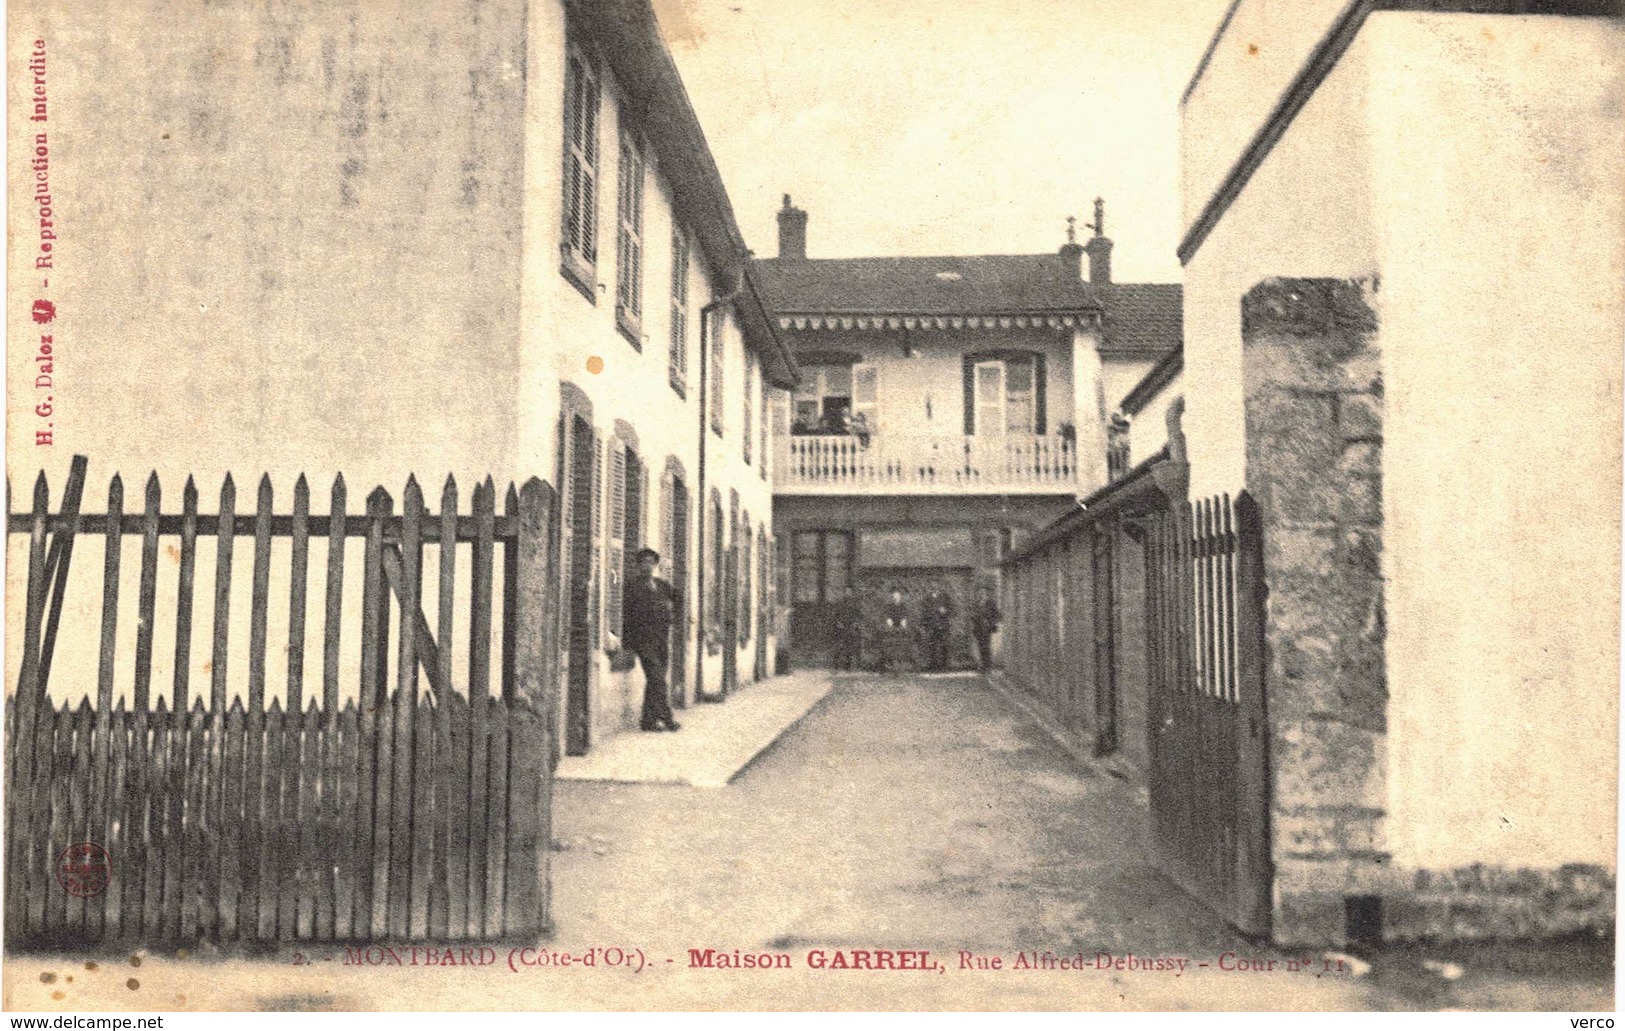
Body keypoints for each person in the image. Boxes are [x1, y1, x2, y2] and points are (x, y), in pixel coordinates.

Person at [623, 547, 681, 732]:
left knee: (655, 680)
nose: (647, 566)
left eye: (651, 562)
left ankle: (648, 721)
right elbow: (626, 614)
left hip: (661, 639)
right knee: (657, 679)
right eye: (644, 562)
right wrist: (627, 641)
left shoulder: (662, 585)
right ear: (638, 565)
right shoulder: (631, 586)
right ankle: (667, 717)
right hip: (642, 640)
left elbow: (679, 599)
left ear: (656, 565)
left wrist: (673, 618)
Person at [921, 581, 956, 672]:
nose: (934, 587)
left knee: (944, 645)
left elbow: (952, 610)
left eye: (936, 585)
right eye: (932, 586)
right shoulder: (927, 598)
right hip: (931, 625)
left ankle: (944, 666)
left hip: (943, 625)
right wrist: (925, 624)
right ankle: (933, 665)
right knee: (932, 645)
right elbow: (924, 612)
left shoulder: (945, 597)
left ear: (939, 587)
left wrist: (945, 611)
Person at [970, 586, 1002, 673]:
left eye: (983, 593)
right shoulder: (977, 603)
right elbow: (973, 613)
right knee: (980, 647)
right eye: (980, 593)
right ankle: (983, 666)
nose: (981, 595)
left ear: (986, 594)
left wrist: (991, 622)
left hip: (987, 628)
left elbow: (997, 615)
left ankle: (988, 666)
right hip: (978, 627)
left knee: (986, 647)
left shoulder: (991, 603)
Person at [831, 586, 861, 671]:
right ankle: (836, 665)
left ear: (852, 593)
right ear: (844, 593)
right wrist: (838, 622)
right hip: (841, 627)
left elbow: (858, 615)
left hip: (851, 627)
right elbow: (835, 614)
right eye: (846, 591)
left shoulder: (855, 604)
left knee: (850, 646)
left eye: (850, 592)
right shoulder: (840, 603)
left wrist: (855, 623)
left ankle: (847, 666)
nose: (848, 593)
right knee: (839, 646)